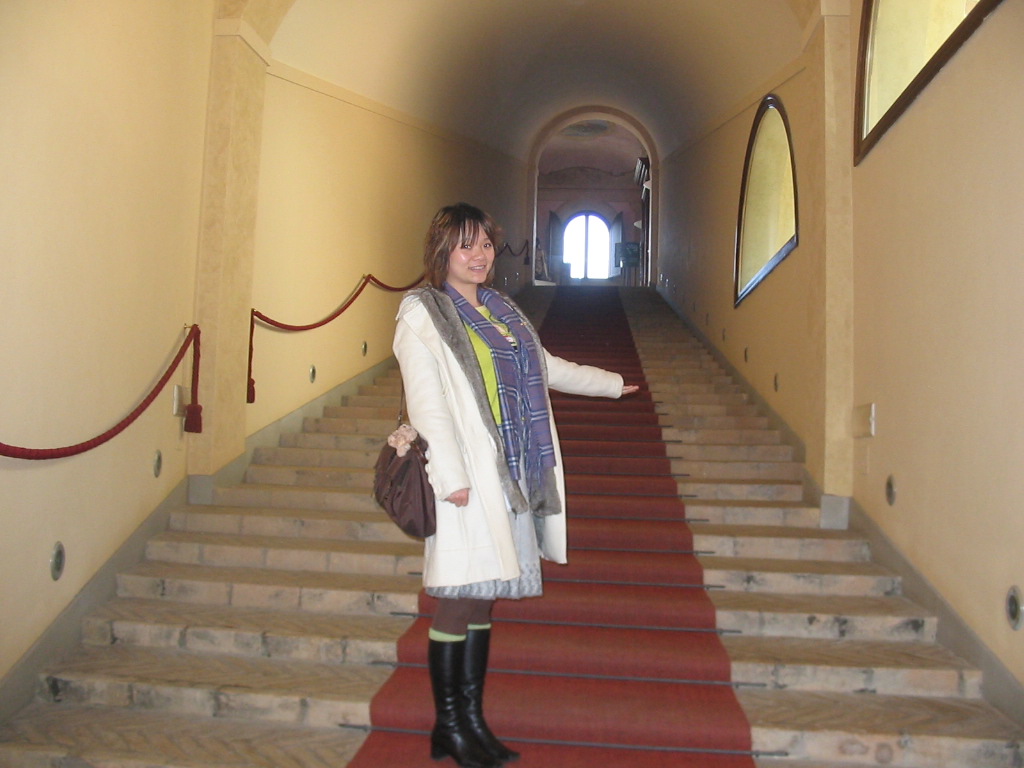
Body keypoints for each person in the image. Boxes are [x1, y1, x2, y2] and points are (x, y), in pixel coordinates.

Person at [393, 203, 639, 768]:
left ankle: (468, 722)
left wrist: (610, 383)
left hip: (514, 474)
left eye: (483, 244)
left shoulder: (503, 308)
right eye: (464, 246)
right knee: (458, 599)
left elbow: (544, 365)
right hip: (468, 478)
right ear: (441, 253)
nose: (477, 256)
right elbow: (427, 402)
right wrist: (450, 479)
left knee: (485, 598)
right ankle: (452, 725)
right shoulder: (423, 314)